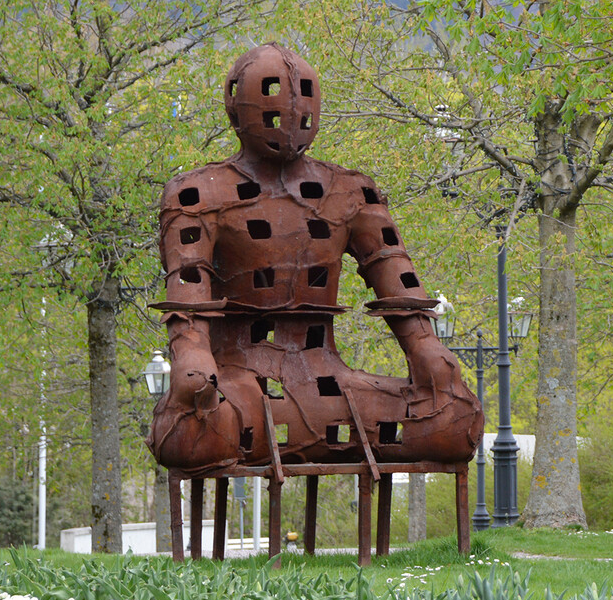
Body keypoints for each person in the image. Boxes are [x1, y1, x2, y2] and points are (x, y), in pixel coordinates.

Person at [147, 44, 480, 476]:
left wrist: (427, 350)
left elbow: (399, 282)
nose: (289, 110)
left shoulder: (351, 191)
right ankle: (213, 419)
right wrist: (193, 362)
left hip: (332, 382)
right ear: (235, 105)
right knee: (194, 431)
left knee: (456, 421)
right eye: (273, 93)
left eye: (301, 93)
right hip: (241, 383)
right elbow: (187, 300)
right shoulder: (197, 195)